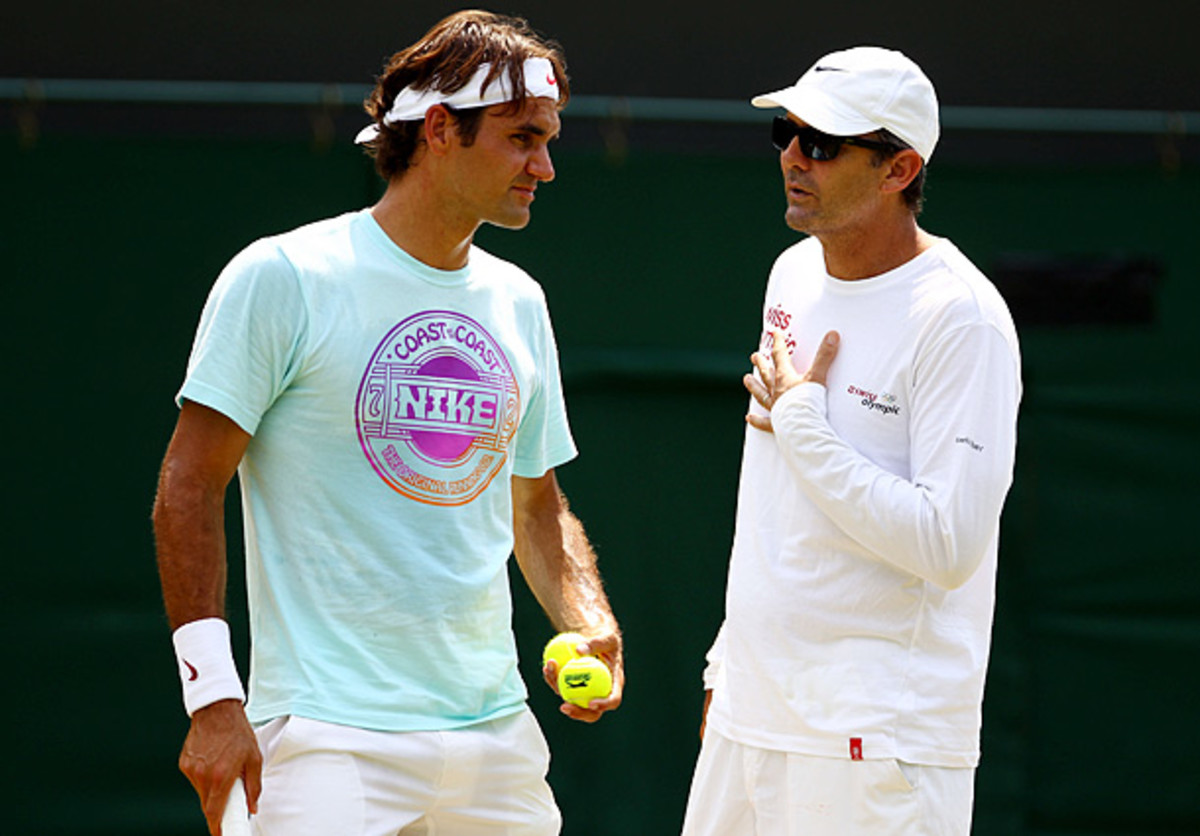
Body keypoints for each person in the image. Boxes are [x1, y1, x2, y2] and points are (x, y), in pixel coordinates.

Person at [152, 10, 623, 836]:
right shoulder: (284, 276)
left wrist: (590, 623)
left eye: (548, 140)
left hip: (495, 736)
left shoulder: (520, 302)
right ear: (440, 130)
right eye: (522, 138)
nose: (544, 166)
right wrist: (212, 696)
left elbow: (536, 503)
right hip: (327, 739)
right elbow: (188, 487)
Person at [681, 46, 1021, 835]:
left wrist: (804, 426)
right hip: (751, 718)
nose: (794, 158)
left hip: (877, 742)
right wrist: (731, 664)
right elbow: (780, 500)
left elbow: (948, 544)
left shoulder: (960, 319)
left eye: (823, 144)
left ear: (899, 169)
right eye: (788, 136)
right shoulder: (792, 273)